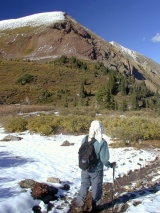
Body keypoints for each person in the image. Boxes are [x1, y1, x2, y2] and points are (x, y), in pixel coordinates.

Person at [75, 120, 116, 212]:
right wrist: (111, 165)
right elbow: (104, 160)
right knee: (96, 187)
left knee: (84, 185)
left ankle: (80, 205)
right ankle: (95, 206)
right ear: (100, 129)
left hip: (85, 168)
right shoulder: (102, 142)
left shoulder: (85, 139)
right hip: (97, 170)